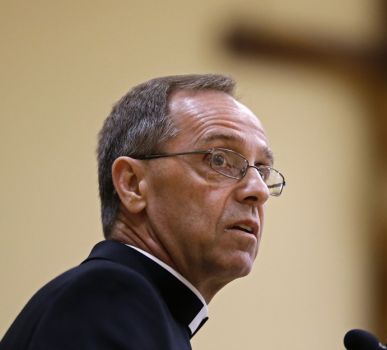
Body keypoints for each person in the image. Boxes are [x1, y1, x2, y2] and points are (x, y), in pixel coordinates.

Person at [0, 74, 286, 349]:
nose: (258, 191)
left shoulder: (148, 311)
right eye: (219, 159)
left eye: (261, 170)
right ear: (133, 184)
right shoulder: (105, 297)